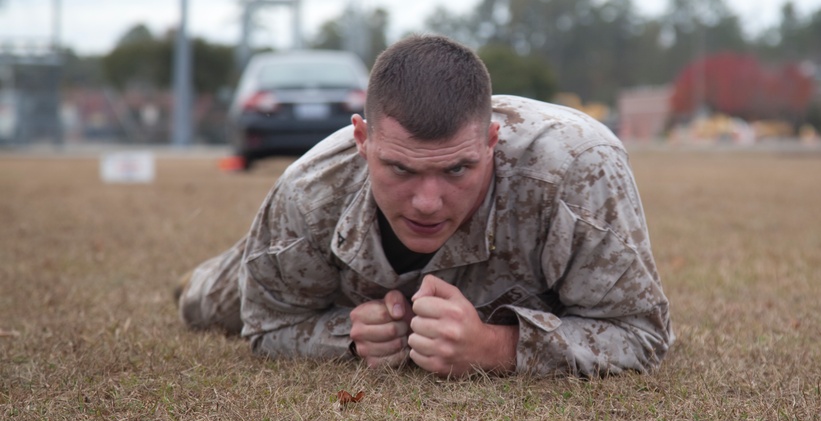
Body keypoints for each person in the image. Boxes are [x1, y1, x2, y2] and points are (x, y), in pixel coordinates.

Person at [177, 34, 673, 377]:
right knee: (202, 304)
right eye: (401, 169)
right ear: (362, 141)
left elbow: (641, 333)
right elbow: (268, 325)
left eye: (457, 169)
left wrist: (497, 348)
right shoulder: (309, 191)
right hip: (328, 275)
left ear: (491, 142)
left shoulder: (577, 169)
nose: (428, 203)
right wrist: (349, 336)